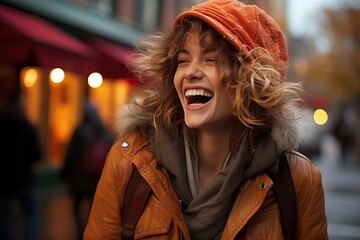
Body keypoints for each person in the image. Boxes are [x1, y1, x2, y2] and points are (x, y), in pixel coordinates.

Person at [84, 0, 328, 239]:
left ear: (251, 81)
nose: (190, 72)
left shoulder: (298, 181)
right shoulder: (129, 163)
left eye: (211, 59)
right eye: (183, 60)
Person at [0, 65, 42, 240]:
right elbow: (37, 154)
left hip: (3, 178)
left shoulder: (2, 125)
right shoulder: (27, 128)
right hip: (23, 178)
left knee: (3, 217)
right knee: (32, 214)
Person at [61, 101, 114, 239]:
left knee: (76, 205)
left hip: (79, 177)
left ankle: (80, 231)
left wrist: (64, 173)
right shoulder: (104, 132)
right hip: (96, 177)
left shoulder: (80, 131)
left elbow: (71, 154)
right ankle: (90, 231)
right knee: (93, 206)